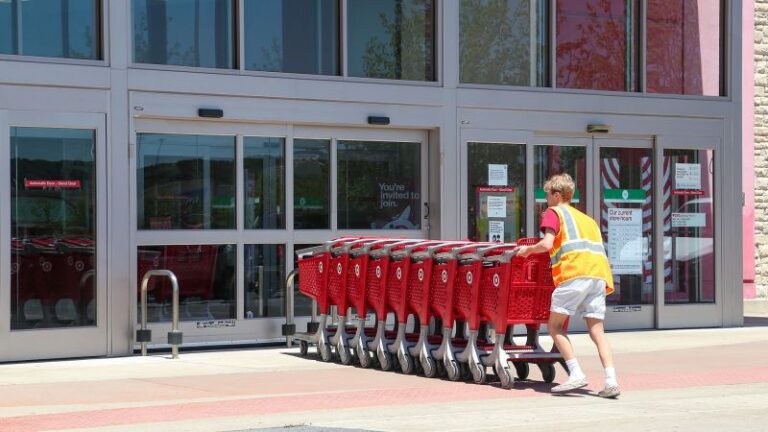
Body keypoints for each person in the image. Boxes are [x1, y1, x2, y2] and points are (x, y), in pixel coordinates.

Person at [515, 173, 620, 398]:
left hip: (574, 273)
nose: (546, 200)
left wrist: (527, 251)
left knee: (555, 327)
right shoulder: (587, 220)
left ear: (556, 194)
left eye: (547, 195)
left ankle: (575, 373)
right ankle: (611, 381)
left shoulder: (554, 213)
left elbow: (547, 244)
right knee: (597, 331)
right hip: (598, 275)